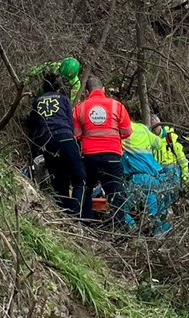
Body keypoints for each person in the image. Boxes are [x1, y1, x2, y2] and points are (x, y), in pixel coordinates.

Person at [73, 76, 132, 224]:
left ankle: (85, 224)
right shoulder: (117, 106)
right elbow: (127, 132)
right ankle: (118, 228)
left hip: (89, 157)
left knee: (86, 189)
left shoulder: (79, 108)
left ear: (87, 92)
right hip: (112, 156)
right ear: (103, 90)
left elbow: (77, 135)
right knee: (116, 192)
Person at [27, 74, 86, 216]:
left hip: (47, 142)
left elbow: (32, 125)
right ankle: (76, 214)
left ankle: (64, 214)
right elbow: (71, 123)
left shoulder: (37, 101)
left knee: (59, 181)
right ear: (58, 87)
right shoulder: (64, 100)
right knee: (80, 179)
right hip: (65, 137)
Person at [122, 119, 171, 236]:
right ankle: (162, 236)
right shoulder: (143, 128)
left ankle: (134, 232)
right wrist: (159, 130)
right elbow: (159, 144)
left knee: (121, 208)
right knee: (155, 211)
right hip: (154, 177)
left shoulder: (122, 131)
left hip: (137, 178)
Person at [149, 114, 189, 207]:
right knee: (160, 195)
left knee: (173, 194)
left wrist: (185, 174)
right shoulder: (149, 138)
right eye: (153, 126)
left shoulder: (170, 136)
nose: (155, 129)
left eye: (156, 126)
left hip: (172, 169)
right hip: (157, 170)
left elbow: (181, 157)